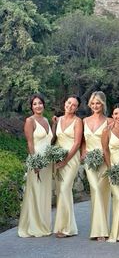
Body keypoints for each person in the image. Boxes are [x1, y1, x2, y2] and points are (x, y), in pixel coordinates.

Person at [18, 94, 53, 237]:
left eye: (40, 103)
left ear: (43, 105)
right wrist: (34, 162)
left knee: (45, 193)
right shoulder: (29, 121)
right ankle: (33, 226)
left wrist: (55, 123)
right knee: (35, 192)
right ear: (31, 107)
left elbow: (50, 140)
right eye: (35, 104)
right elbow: (30, 143)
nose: (38, 106)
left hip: (48, 162)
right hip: (37, 161)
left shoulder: (46, 120)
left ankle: (44, 224)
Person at [81, 91, 112, 241]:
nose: (95, 106)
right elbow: (82, 142)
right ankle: (100, 231)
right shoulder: (84, 121)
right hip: (89, 162)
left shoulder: (110, 121)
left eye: (98, 103)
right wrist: (83, 153)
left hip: (104, 161)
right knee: (96, 190)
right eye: (93, 103)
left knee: (102, 193)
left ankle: (99, 228)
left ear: (103, 104)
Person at [53, 95, 83, 238]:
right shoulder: (58, 120)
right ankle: (64, 226)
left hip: (71, 159)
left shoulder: (78, 122)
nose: (70, 106)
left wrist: (65, 160)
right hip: (58, 158)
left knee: (65, 189)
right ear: (64, 103)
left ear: (77, 108)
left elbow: (77, 143)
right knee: (61, 191)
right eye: (69, 103)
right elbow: (54, 139)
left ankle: (66, 228)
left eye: (74, 105)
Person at [101, 103, 119, 242]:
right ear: (112, 116)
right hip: (115, 169)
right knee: (118, 198)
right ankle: (116, 232)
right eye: (116, 114)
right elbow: (105, 150)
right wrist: (110, 168)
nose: (118, 116)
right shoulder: (106, 131)